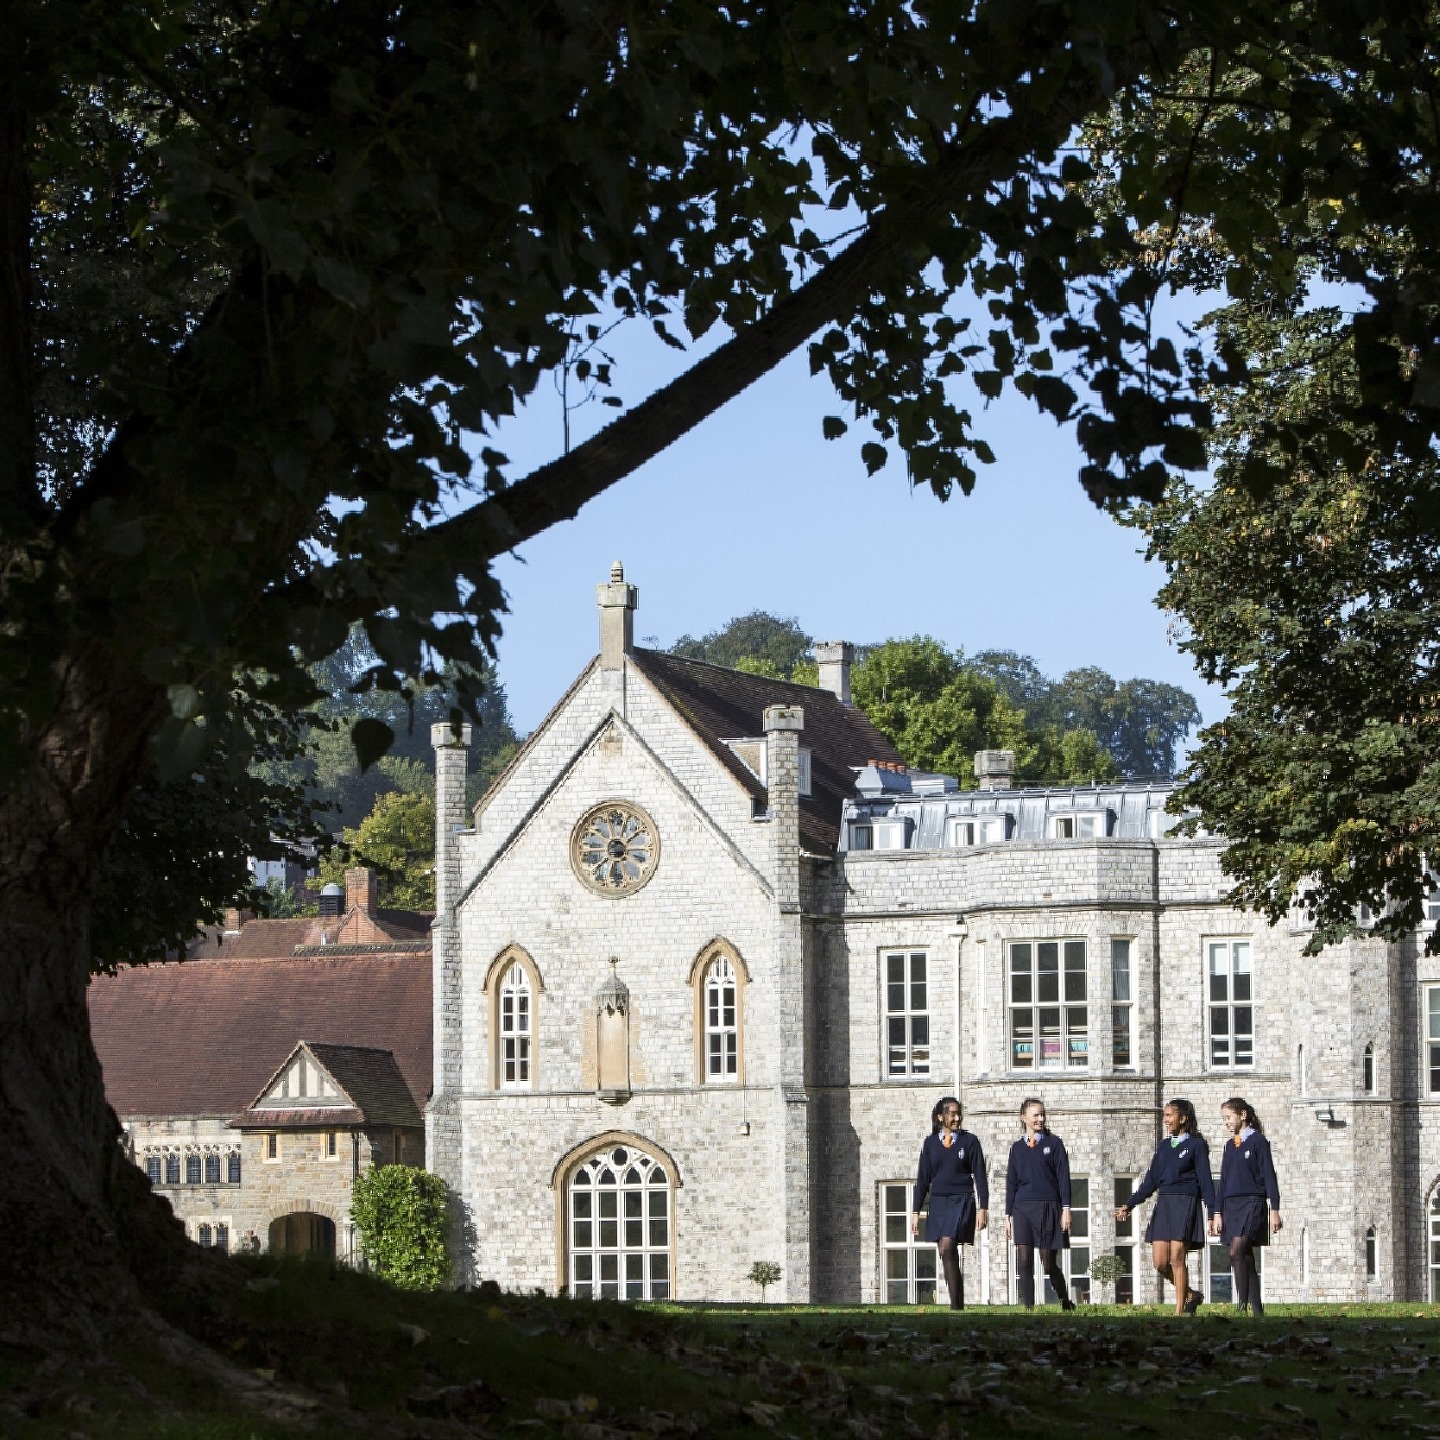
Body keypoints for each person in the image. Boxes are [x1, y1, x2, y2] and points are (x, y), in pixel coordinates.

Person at [1115, 1098, 1217, 1316]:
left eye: (1169, 1115)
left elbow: (1206, 1181)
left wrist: (1213, 1213)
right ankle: (1191, 1295)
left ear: (1183, 1118)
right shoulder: (1163, 1146)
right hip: (1165, 1204)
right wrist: (1130, 1205)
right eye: (1165, 1115)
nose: (1166, 1120)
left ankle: (1179, 1311)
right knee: (1160, 1262)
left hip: (1185, 1202)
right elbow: (1151, 1180)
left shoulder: (1196, 1146)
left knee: (1177, 1257)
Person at [911, 1096, 989, 1310]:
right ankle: (958, 1302)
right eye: (952, 1113)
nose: (957, 1117)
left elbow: (980, 1177)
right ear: (940, 1117)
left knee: (947, 1245)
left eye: (958, 1113)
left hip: (962, 1200)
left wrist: (983, 1208)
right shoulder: (930, 1144)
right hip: (938, 1202)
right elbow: (923, 1179)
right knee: (945, 1251)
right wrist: (915, 1211)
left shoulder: (970, 1142)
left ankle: (956, 1306)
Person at [1211, 1096, 1281, 1317]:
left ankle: (1241, 1306)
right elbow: (1223, 1180)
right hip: (1231, 1206)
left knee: (1236, 1251)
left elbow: (1270, 1177)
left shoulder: (1258, 1142)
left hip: (1252, 1202)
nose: (1226, 1122)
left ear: (1243, 1115)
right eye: (1224, 1119)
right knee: (1246, 1256)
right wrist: (1217, 1212)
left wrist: (1275, 1209)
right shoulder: (1229, 1146)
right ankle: (1258, 1310)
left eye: (1229, 1117)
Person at [1004, 1098, 1075, 1311]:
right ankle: (1029, 1308)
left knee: (1048, 1261)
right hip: (1022, 1209)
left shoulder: (1054, 1144)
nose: (1040, 1119)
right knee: (1024, 1260)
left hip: (1049, 1208)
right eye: (1036, 1115)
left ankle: (1065, 1301)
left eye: (1042, 1114)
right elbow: (1011, 1183)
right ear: (1023, 1118)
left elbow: (1064, 1178)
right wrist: (1008, 1216)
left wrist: (1066, 1209)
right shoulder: (1016, 1148)